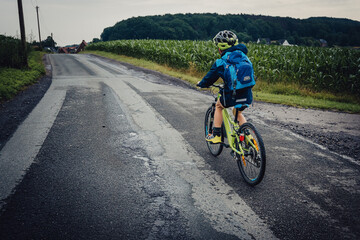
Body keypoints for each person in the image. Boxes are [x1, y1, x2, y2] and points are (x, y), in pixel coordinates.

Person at [197, 30, 253, 144]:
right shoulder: (244, 56)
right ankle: (249, 137)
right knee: (238, 112)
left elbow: (209, 78)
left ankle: (216, 135)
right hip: (247, 93)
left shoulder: (221, 61)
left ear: (220, 48)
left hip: (232, 94)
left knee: (218, 106)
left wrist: (201, 84)